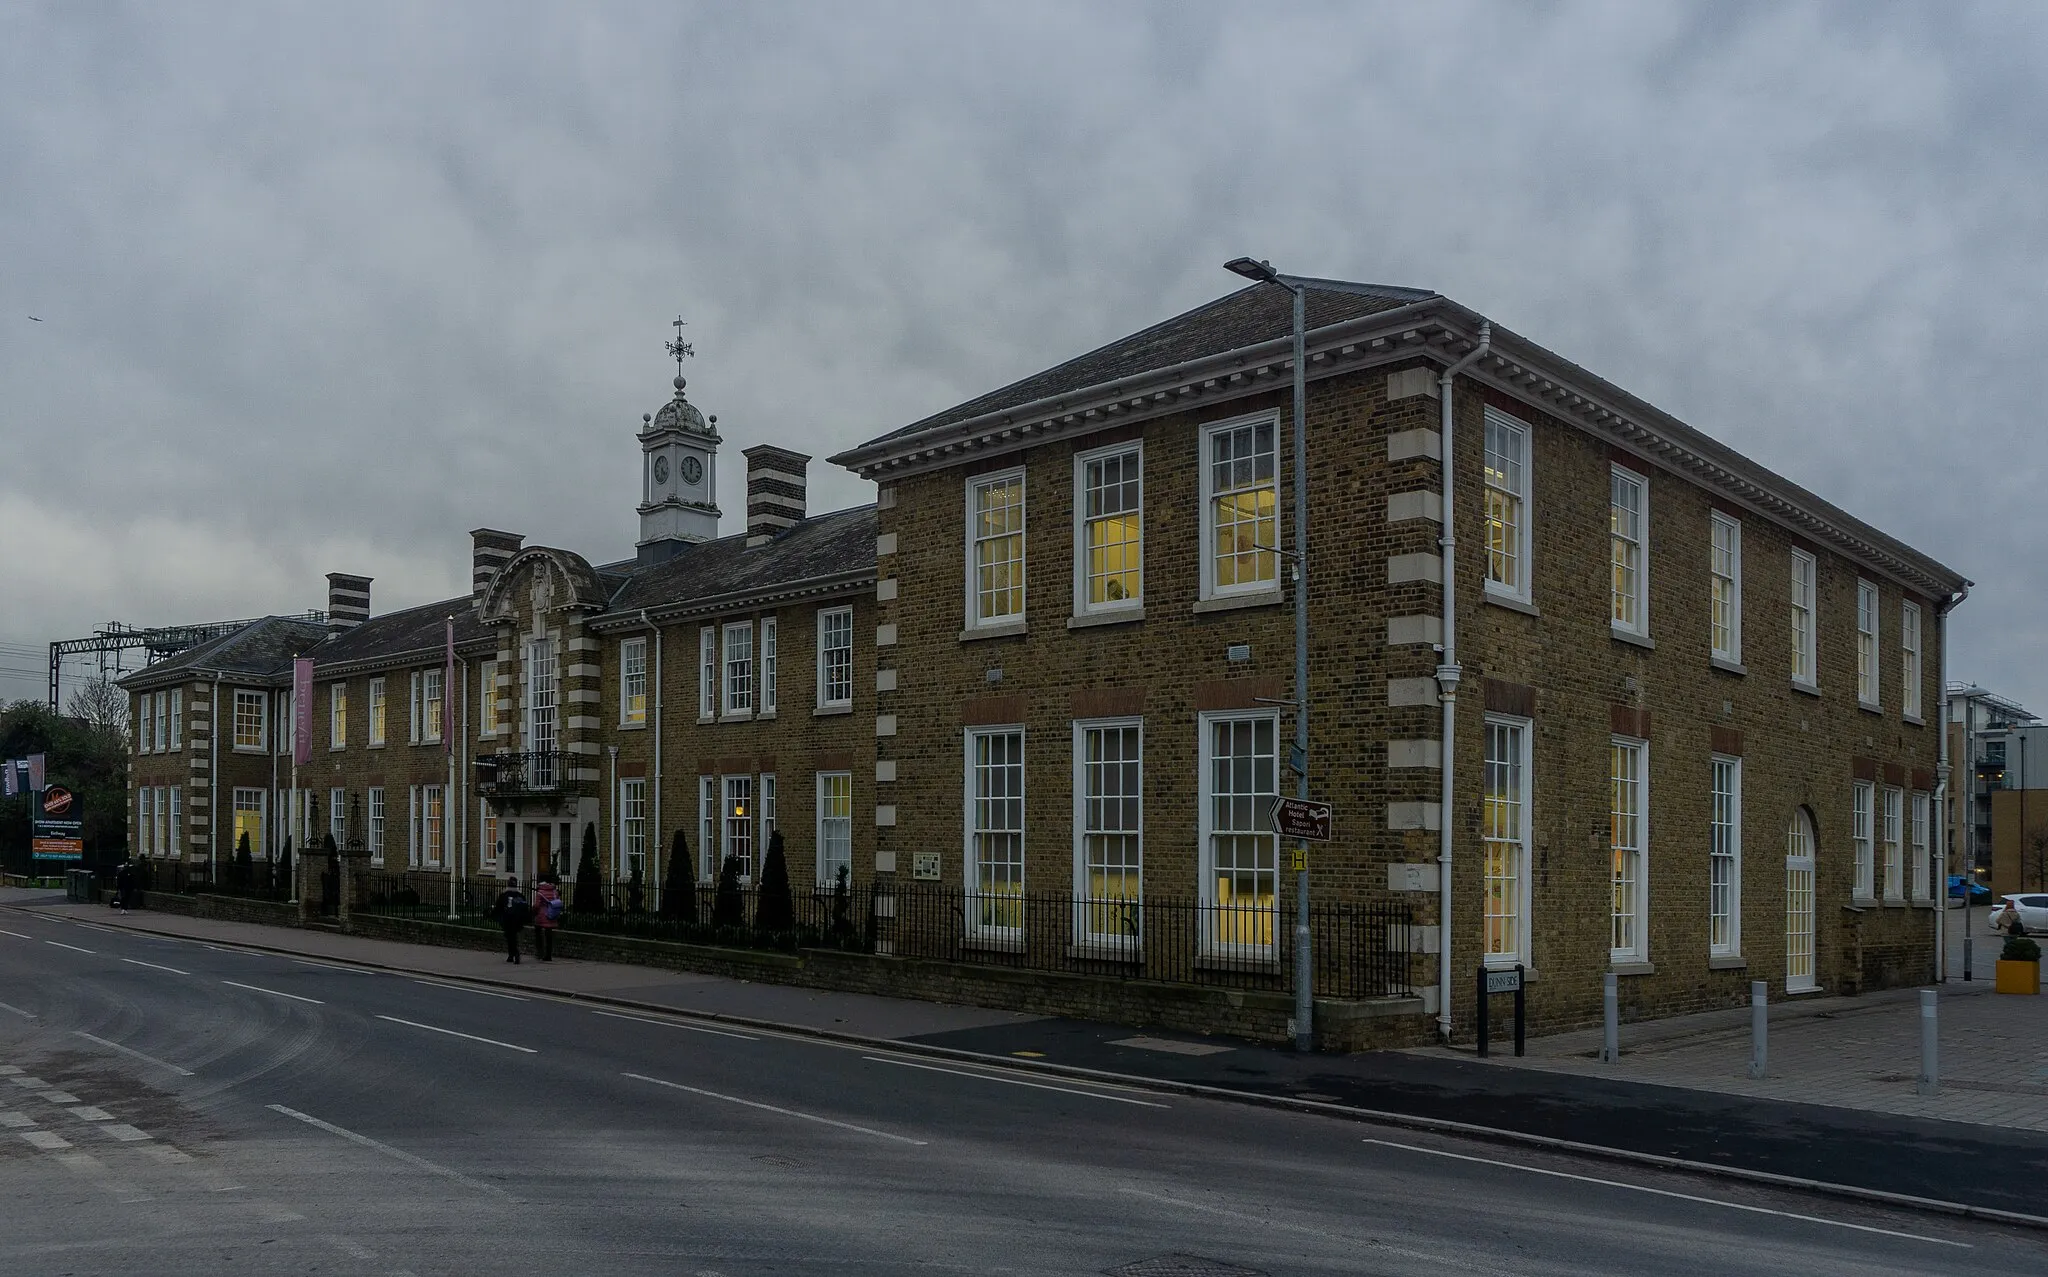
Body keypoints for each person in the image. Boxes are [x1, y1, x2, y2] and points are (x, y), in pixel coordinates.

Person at [490, 876, 531, 963]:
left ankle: (514, 953)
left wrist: (493, 915)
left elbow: (498, 907)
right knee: (513, 936)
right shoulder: (520, 895)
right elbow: (525, 909)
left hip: (508, 919)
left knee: (510, 937)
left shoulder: (504, 895)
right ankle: (511, 955)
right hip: (518, 920)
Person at [531, 873, 562, 962]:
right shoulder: (554, 891)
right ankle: (548, 955)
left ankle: (540, 952)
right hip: (552, 915)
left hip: (542, 916)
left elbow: (536, 905)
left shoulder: (540, 893)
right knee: (549, 936)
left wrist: (533, 912)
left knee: (538, 932)